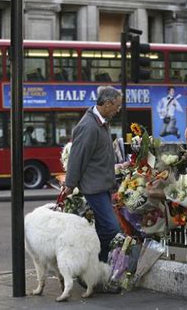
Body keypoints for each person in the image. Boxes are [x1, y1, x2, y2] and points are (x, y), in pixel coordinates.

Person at [64, 86, 122, 264]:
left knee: (103, 228)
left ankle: (95, 267)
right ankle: (96, 264)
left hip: (102, 185)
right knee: (111, 228)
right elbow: (77, 157)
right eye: (117, 106)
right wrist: (70, 184)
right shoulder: (89, 126)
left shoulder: (101, 121)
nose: (118, 110)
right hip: (93, 187)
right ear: (106, 103)